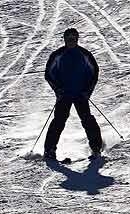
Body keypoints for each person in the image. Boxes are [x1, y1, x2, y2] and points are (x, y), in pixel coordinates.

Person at [44, 28, 103, 161]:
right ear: (65, 40)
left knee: (87, 119)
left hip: (80, 94)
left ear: (77, 39)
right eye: (69, 39)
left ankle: (96, 149)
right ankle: (49, 150)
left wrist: (87, 91)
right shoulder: (58, 55)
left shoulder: (84, 54)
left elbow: (94, 72)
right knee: (59, 121)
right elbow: (49, 74)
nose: (71, 41)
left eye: (73, 38)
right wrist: (58, 90)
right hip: (64, 94)